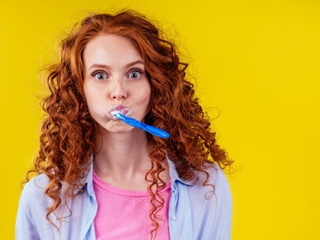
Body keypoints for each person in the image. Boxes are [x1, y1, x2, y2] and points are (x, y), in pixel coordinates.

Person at [15, 10, 233, 240]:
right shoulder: (44, 199)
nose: (119, 92)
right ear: (79, 90)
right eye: (100, 75)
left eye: (134, 73)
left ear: (155, 85)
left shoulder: (207, 188)